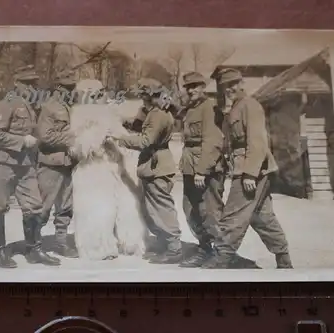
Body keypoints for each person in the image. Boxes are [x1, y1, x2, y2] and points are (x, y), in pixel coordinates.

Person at [203, 67, 293, 269]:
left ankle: (222, 257)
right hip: (245, 168)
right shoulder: (236, 107)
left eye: (234, 83)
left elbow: (257, 141)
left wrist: (249, 174)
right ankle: (283, 258)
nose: (230, 88)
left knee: (233, 214)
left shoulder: (250, 105)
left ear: (242, 83)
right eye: (226, 85)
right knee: (261, 217)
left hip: (252, 170)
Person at [0, 65, 61, 268]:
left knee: (35, 205)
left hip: (25, 165)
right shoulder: (6, 104)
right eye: (27, 83)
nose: (31, 87)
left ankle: (34, 249)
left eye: (33, 83)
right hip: (3, 163)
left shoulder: (30, 106)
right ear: (17, 83)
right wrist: (21, 140)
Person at [107, 78, 183, 264]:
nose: (141, 100)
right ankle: (166, 244)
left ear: (150, 96)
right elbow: (140, 128)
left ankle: (174, 248)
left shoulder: (156, 115)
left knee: (161, 207)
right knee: (153, 208)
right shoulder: (155, 113)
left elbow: (145, 141)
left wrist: (120, 138)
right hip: (155, 165)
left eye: (143, 96)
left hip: (157, 166)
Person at [177, 72, 229, 268]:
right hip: (191, 167)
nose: (191, 90)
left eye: (195, 86)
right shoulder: (190, 109)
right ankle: (205, 248)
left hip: (205, 168)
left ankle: (221, 253)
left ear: (203, 87)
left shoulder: (209, 108)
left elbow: (213, 141)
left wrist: (202, 170)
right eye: (188, 87)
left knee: (210, 211)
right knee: (190, 209)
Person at [36, 70, 79, 258]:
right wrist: (70, 138)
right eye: (69, 88)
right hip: (51, 165)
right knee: (43, 206)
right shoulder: (48, 107)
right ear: (59, 88)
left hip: (68, 164)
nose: (72, 91)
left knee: (66, 207)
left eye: (73, 87)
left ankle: (61, 243)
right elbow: (44, 137)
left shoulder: (71, 107)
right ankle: (34, 245)